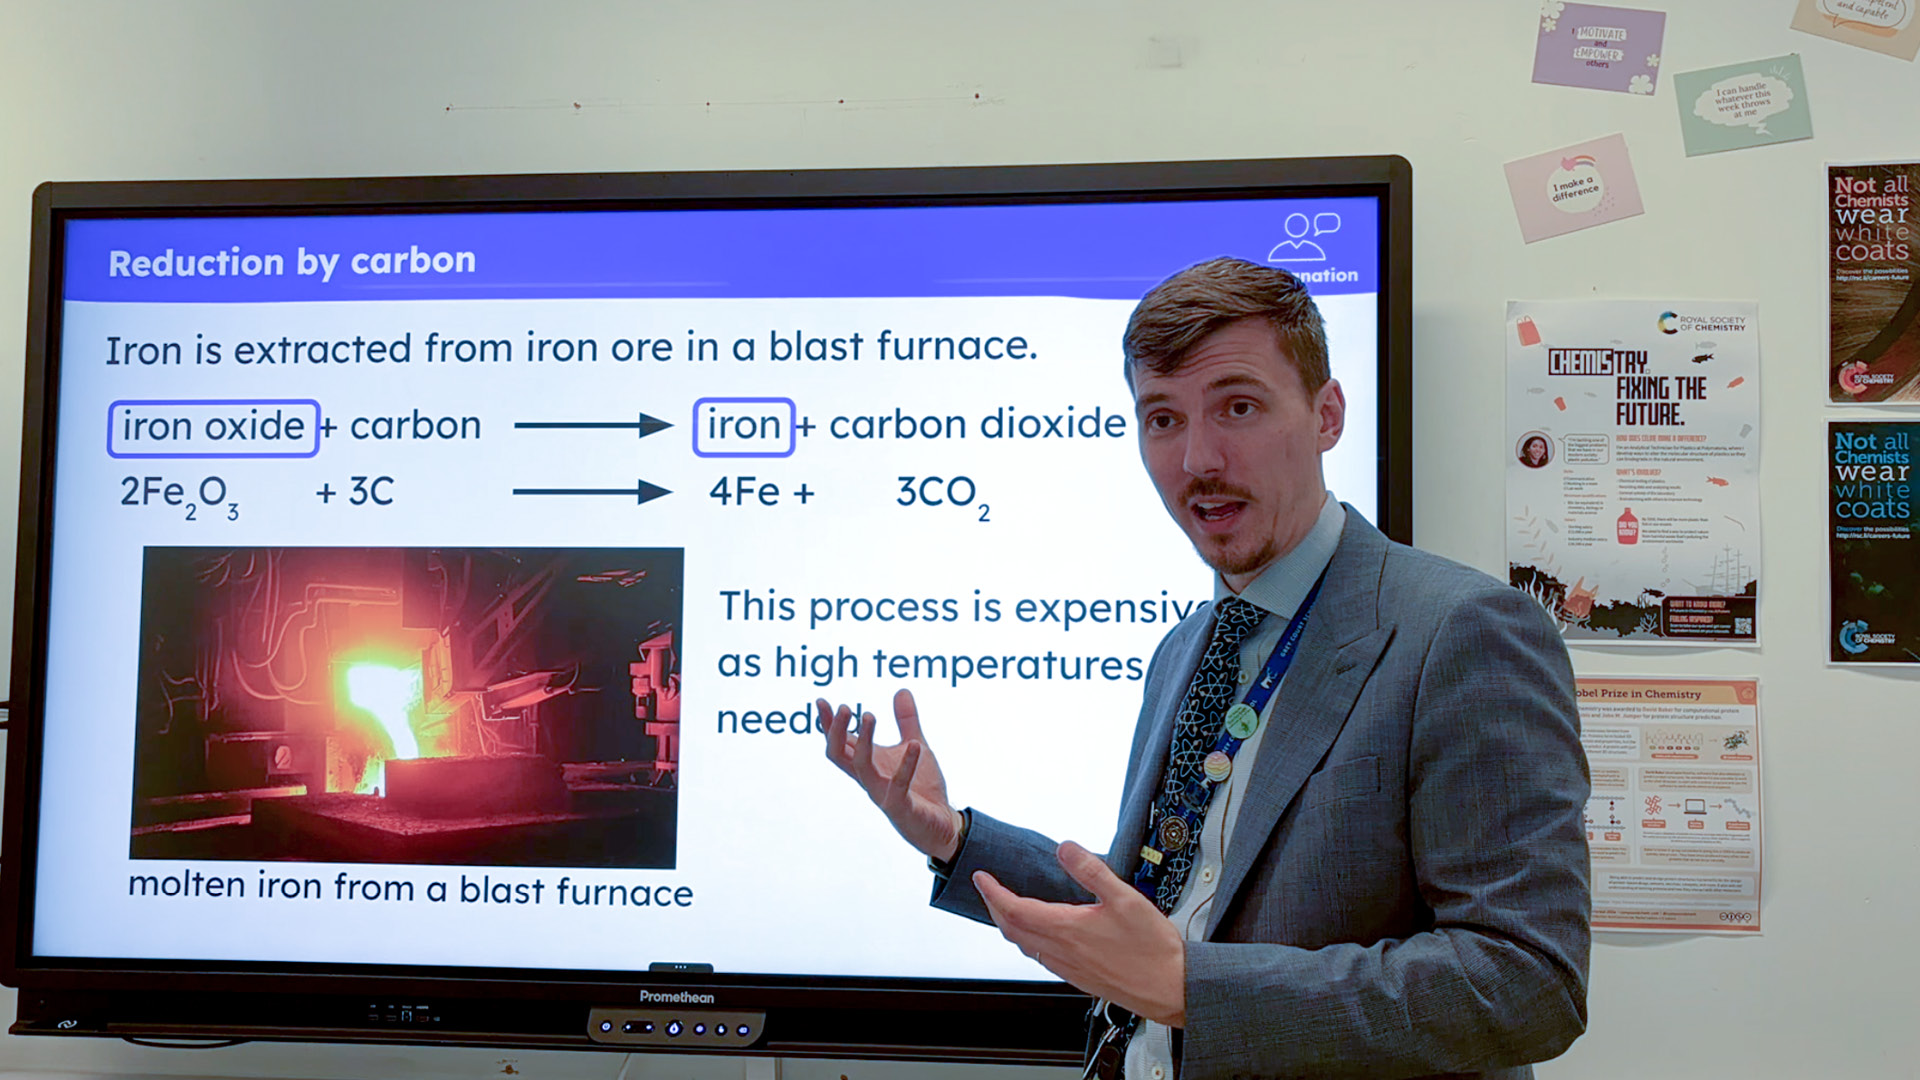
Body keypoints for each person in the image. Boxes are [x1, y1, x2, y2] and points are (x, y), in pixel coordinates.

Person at [819, 257, 1589, 1080]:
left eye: (1239, 407)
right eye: (1162, 419)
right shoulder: (1184, 649)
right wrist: (956, 838)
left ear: (1327, 415)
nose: (1197, 460)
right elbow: (1152, 918)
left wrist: (1196, 989)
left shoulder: (1459, 631)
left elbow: (1527, 982)